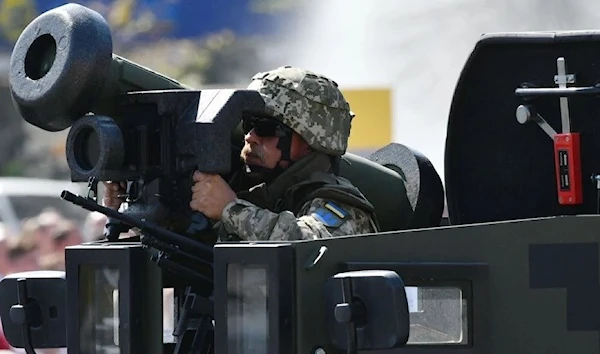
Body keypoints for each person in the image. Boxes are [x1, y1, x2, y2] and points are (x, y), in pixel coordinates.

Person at [103, 66, 379, 241]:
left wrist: (230, 209)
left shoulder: (337, 204)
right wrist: (128, 211)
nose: (250, 137)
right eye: (248, 125)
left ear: (308, 142)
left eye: (266, 128)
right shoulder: (249, 193)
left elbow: (311, 244)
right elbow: (184, 248)